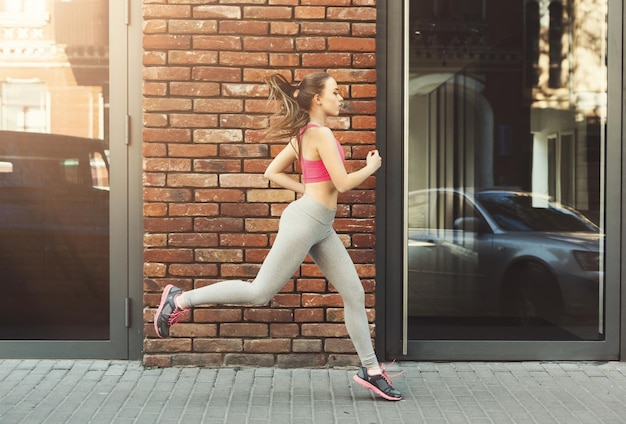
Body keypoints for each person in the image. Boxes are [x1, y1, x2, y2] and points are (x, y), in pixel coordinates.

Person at [154, 72, 402, 401]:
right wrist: (372, 167)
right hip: (306, 221)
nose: (341, 98)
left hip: (319, 224)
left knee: (354, 295)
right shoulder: (321, 134)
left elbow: (272, 172)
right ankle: (179, 300)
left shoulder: (304, 135)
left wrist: (310, 192)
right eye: (336, 92)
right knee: (259, 292)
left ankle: (371, 371)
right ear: (318, 99)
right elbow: (342, 184)